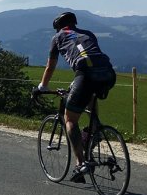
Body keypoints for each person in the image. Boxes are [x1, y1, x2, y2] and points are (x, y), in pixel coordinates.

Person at [34, 11, 117, 182]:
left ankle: (80, 163)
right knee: (90, 98)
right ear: (74, 23)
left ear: (58, 27)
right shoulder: (88, 34)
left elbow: (50, 66)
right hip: (108, 74)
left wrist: (42, 87)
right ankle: (94, 130)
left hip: (85, 75)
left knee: (70, 119)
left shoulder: (57, 38)